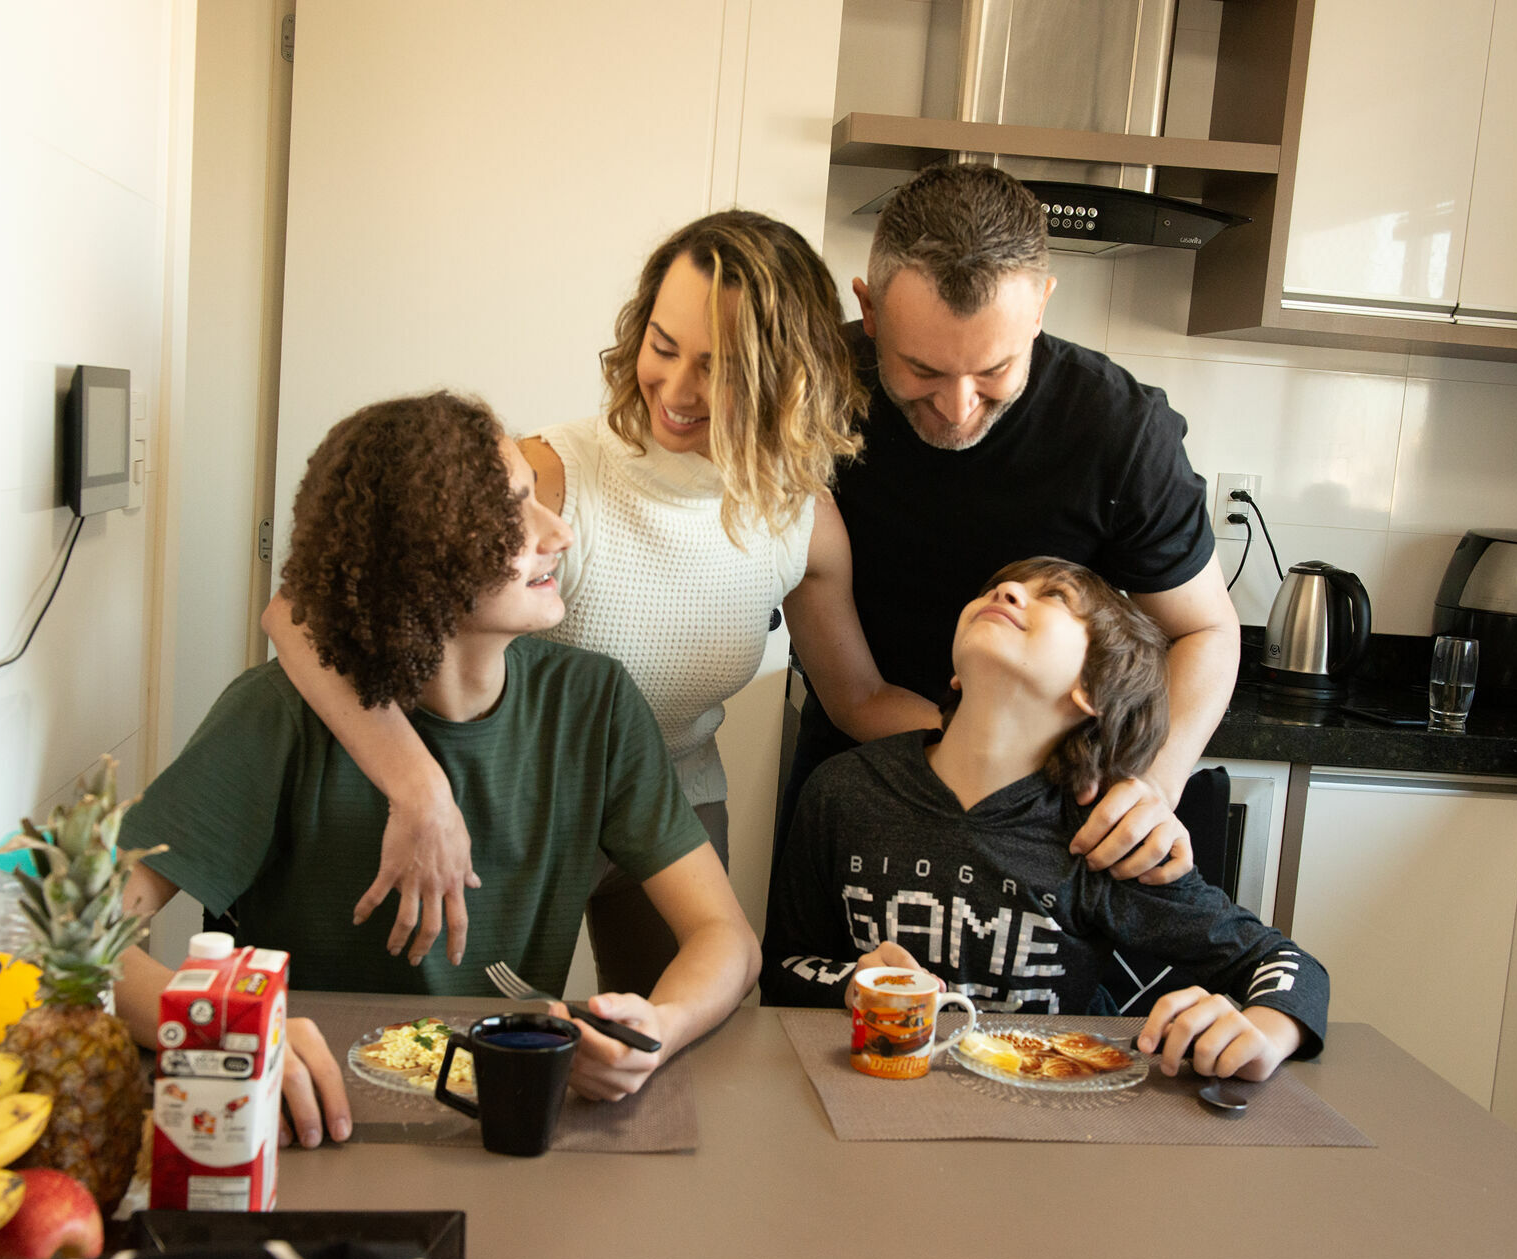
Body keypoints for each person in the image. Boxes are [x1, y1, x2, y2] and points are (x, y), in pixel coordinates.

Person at [262, 211, 942, 990]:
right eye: (662, 346)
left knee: (680, 1051)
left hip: (671, 803)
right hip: (517, 796)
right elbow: (300, 613)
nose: (677, 391)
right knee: (467, 1049)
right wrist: (417, 785)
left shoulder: (803, 522)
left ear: (786, 376)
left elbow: (858, 697)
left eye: (717, 368)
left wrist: (1036, 744)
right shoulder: (548, 477)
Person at [114, 393, 761, 1149]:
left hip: (506, 1127)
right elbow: (77, 942)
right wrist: (231, 1027)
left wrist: (659, 1024)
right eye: (516, 509)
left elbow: (728, 938)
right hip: (309, 1131)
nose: (559, 531)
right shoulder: (277, 715)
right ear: (425, 551)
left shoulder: (595, 704)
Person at [778, 163, 1241, 884]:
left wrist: (1152, 784)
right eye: (922, 369)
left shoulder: (1119, 431)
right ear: (868, 311)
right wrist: (972, 756)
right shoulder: (810, 400)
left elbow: (1206, 630)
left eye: (995, 369)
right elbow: (854, 694)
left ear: (1040, 308)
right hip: (860, 769)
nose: (959, 406)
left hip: (1055, 806)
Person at [762, 558, 1325, 1081]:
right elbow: (782, 968)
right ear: (957, 675)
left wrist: (1267, 1033)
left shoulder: (1102, 836)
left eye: (1054, 597)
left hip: (1048, 1119)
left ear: (1094, 692)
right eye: (997, 588)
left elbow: (1286, 965)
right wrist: (848, 984)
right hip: (870, 1096)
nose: (1005, 591)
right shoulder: (843, 792)